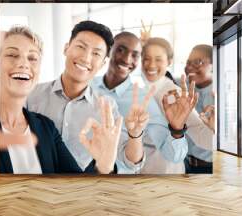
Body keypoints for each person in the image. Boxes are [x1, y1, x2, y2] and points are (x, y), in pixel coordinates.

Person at [27, 21, 150, 174]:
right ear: (66, 48)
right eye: (81, 47)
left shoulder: (107, 107)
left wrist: (135, 134)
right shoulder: (31, 95)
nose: (86, 58)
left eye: (96, 53)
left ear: (103, 63)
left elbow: (131, 162)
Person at [0, 26, 121, 174]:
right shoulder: (31, 98)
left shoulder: (46, 127)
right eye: (12, 55)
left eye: (32, 58)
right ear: (66, 48)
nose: (24, 64)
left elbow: (76, 183)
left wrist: (103, 165)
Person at [91, 32, 196, 173]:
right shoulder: (89, 84)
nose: (127, 59)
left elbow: (173, 155)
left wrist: (176, 129)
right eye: (121, 50)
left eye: (135, 55)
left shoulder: (142, 99)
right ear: (109, 49)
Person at [141, 37, 214, 173]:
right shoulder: (138, 87)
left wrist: (216, 131)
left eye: (158, 59)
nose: (151, 65)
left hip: (164, 173)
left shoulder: (174, 94)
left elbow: (199, 134)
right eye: (146, 58)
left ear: (169, 62)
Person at [185, 44, 214, 115]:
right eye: (188, 63)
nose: (189, 67)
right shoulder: (181, 88)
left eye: (197, 62)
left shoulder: (220, 96)